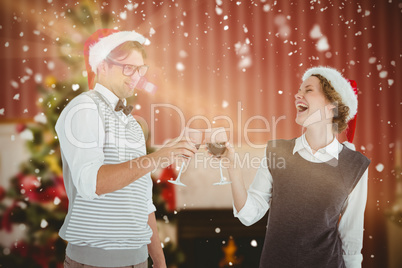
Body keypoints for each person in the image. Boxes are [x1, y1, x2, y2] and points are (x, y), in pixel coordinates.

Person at [55, 29, 197, 268]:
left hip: (139, 261)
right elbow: (94, 184)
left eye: (140, 69)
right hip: (94, 263)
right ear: (102, 66)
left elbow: (143, 201)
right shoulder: (84, 108)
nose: (137, 77)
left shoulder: (132, 124)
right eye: (128, 68)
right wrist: (158, 157)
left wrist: (159, 263)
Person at [225, 66, 370, 268]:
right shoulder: (277, 152)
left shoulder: (356, 166)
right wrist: (233, 167)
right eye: (299, 90)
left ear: (332, 104)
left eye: (308, 90)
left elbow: (351, 242)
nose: (297, 95)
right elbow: (249, 215)